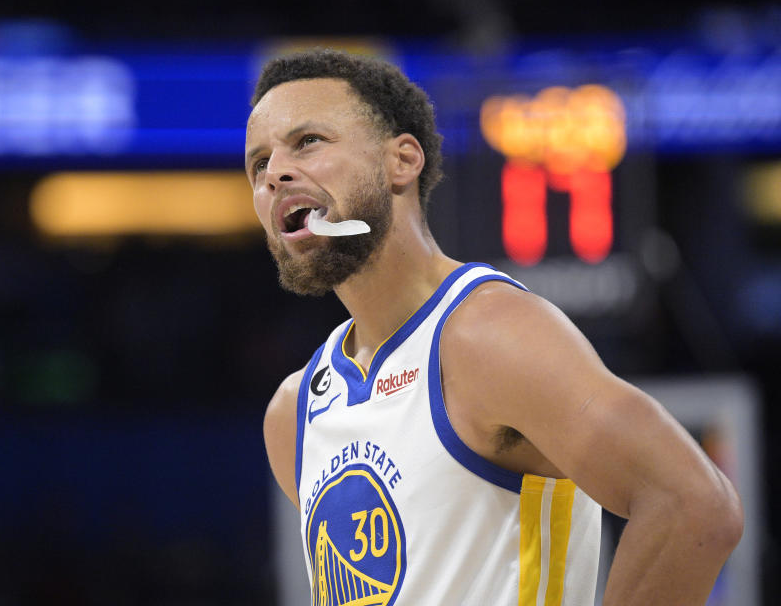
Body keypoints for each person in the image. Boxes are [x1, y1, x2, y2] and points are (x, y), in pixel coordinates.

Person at [246, 49, 743, 605]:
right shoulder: (294, 414)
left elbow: (694, 505)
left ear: (401, 161)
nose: (275, 175)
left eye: (308, 142)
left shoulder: (489, 335)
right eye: (258, 164)